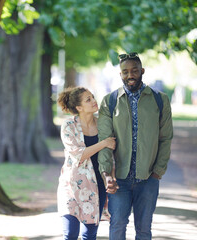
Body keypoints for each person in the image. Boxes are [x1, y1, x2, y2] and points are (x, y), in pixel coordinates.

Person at [97, 52, 173, 240]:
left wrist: (158, 171)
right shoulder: (110, 101)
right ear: (120, 75)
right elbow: (105, 142)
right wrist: (106, 175)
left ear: (142, 71)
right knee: (117, 225)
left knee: (144, 229)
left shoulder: (159, 99)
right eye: (125, 72)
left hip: (148, 177)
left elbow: (166, 138)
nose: (130, 75)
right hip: (118, 179)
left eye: (134, 71)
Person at [57, 87, 116, 240]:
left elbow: (111, 155)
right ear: (79, 107)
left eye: (93, 97)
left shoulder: (103, 124)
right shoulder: (69, 125)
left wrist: (111, 177)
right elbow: (79, 155)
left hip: (97, 186)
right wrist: (103, 143)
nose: (94, 101)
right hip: (71, 185)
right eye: (88, 99)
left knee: (89, 235)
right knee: (70, 234)